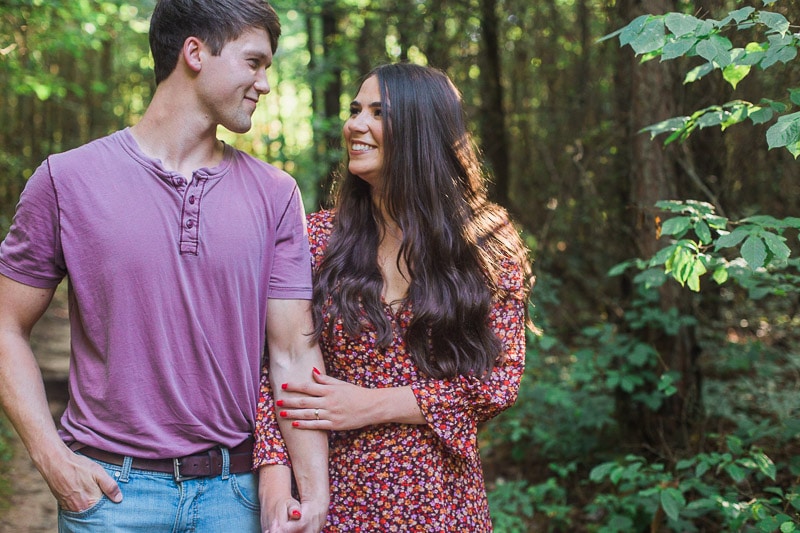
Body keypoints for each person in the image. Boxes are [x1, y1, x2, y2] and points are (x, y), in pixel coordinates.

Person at [0, 1, 328, 531]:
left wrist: (312, 494)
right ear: (194, 52)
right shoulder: (66, 180)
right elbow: (5, 324)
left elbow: (292, 352)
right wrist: (51, 458)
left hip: (235, 498)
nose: (265, 83)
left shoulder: (276, 194)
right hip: (111, 499)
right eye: (254, 62)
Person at [253, 63, 533, 531]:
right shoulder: (318, 238)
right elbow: (275, 371)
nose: (355, 125)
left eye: (378, 113)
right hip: (333, 495)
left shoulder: (485, 243)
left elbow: (498, 383)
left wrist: (373, 404)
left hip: (440, 501)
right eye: (354, 109)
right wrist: (276, 486)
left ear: (421, 129)